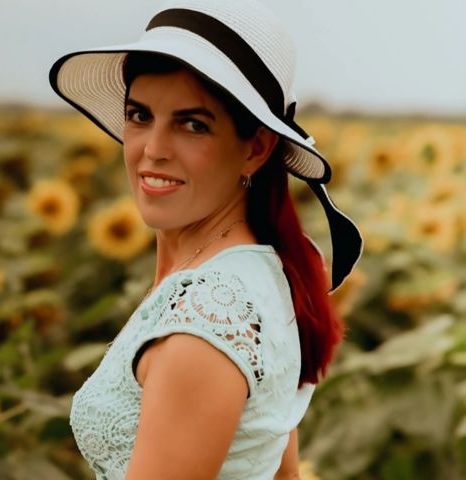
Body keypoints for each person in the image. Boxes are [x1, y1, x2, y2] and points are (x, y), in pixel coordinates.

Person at [49, 0, 363, 479]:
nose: (153, 149)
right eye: (139, 115)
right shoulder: (259, 271)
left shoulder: (206, 322)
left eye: (193, 124)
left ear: (256, 148)